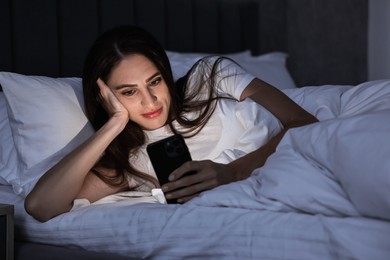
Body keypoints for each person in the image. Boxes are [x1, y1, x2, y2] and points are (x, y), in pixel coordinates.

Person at [24, 25, 318, 222]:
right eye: (129, 92)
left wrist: (234, 171)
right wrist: (113, 124)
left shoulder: (211, 75)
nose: (150, 101)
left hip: (306, 159)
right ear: (105, 97)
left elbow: (304, 121)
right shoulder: (129, 164)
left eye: (155, 81)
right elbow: (40, 206)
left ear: (165, 74)